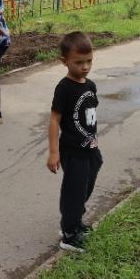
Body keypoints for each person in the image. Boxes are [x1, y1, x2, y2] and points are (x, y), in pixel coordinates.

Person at [47, 31, 102, 253]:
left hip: (90, 147)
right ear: (64, 61)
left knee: (87, 184)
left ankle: (75, 220)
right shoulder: (64, 88)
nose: (85, 67)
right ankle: (69, 234)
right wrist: (54, 152)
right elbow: (54, 119)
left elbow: (89, 116)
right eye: (79, 62)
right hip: (72, 150)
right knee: (74, 190)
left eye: (89, 61)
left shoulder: (90, 85)